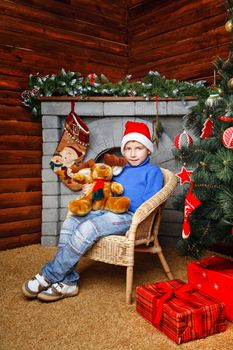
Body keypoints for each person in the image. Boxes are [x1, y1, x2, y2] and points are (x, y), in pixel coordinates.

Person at [22, 121, 163, 302]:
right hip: (106, 210)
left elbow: (151, 203)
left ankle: (49, 275)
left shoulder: (153, 172)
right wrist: (90, 191)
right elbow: (105, 190)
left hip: (130, 218)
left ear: (148, 150)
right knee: (71, 221)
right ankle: (68, 282)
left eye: (139, 148)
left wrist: (139, 223)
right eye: (128, 148)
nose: (133, 153)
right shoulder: (120, 170)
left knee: (88, 227)